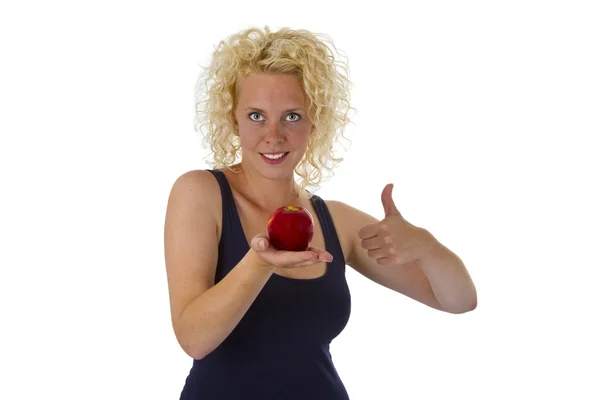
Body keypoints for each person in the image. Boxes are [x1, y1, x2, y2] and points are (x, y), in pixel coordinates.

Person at [163, 26, 477, 400]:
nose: (274, 135)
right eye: (256, 116)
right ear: (233, 120)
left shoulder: (336, 221)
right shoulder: (200, 193)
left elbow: (458, 300)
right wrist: (259, 263)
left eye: (292, 116)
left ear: (315, 121)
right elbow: (194, 339)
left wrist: (426, 246)